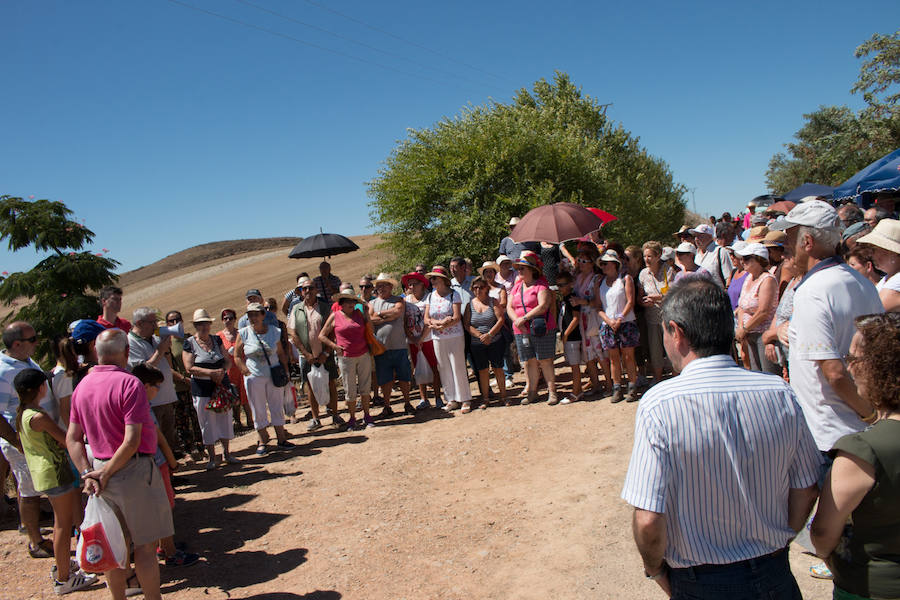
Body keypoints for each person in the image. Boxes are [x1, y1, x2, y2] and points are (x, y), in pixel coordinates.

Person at [621, 279, 821, 600]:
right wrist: (780, 540)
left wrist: (656, 570)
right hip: (775, 574)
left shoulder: (660, 404)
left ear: (677, 332)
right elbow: (808, 486)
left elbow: (648, 521)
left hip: (702, 581)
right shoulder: (780, 392)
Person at [67, 329, 174, 600]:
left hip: (99, 476)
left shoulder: (82, 388)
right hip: (134, 472)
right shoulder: (130, 384)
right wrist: (106, 471)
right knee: (146, 549)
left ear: (98, 354)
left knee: (112, 549)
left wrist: (88, 473)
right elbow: (132, 440)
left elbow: (73, 438)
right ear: (126, 352)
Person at [771, 200, 884, 455]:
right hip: (853, 429)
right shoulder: (861, 282)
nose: (785, 247)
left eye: (789, 239)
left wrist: (869, 415)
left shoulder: (813, 291)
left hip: (830, 435)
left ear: (807, 243)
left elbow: (834, 372)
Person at [810, 312, 900, 600]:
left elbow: (823, 533)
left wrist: (829, 558)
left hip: (870, 587)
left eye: (852, 359)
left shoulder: (862, 451)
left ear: (878, 368)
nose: (848, 368)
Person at [14, 369, 99, 594]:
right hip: (55, 473)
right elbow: (64, 439)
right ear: (41, 388)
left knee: (65, 522)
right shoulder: (39, 417)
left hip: (47, 473)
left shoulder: (24, 413)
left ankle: (64, 567)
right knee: (62, 525)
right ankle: (64, 578)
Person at [128, 362, 199, 568]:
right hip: (156, 462)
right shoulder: (142, 406)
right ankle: (170, 551)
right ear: (145, 385)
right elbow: (158, 437)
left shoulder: (138, 404)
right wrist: (172, 462)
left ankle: (164, 545)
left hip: (148, 463)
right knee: (164, 506)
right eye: (156, 386)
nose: (158, 391)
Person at [0, 321, 54, 557]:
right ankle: (35, 541)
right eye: (33, 340)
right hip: (23, 442)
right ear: (17, 343)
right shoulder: (4, 372)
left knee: (32, 489)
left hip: (35, 438)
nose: (37, 343)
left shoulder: (23, 361)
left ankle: (33, 530)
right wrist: (17, 442)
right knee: (29, 492)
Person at [234, 302, 293, 455]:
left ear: (263, 315)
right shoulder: (244, 333)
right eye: (250, 315)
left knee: (276, 405)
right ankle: (262, 439)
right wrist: (244, 370)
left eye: (255, 314)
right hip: (254, 377)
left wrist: (285, 371)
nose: (253, 317)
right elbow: (236, 355)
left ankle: (281, 438)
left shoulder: (274, 331)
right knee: (258, 407)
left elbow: (280, 353)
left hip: (273, 374)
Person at [183, 309, 239, 469]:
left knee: (225, 419)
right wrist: (210, 373)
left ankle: (227, 453)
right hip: (202, 388)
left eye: (206, 323)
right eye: (200, 324)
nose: (204, 326)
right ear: (195, 326)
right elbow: (189, 367)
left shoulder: (216, 340)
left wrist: (223, 371)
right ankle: (212, 458)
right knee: (206, 422)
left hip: (221, 385)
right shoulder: (190, 343)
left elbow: (227, 359)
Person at [288, 278, 343, 431]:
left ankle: (335, 415)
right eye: (304, 289)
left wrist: (326, 352)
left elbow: (333, 331)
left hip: (326, 353)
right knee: (309, 386)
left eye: (310, 288)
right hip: (307, 355)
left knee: (331, 383)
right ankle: (315, 418)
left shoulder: (326, 308)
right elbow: (293, 333)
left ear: (316, 290)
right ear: (300, 292)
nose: (307, 291)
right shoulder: (296, 309)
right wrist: (305, 354)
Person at [127, 307, 180, 455]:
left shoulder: (155, 338)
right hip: (152, 401)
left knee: (169, 439)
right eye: (152, 322)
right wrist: (161, 350)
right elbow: (143, 370)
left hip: (166, 397)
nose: (156, 325)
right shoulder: (130, 342)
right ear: (139, 323)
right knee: (156, 441)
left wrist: (165, 348)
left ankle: (170, 475)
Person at [507, 251, 558, 405]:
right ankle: (532, 392)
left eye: (523, 268)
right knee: (528, 361)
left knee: (545, 360)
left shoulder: (541, 285)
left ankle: (552, 392)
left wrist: (524, 318)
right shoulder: (516, 288)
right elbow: (510, 306)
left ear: (532, 270)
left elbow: (543, 306)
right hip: (521, 330)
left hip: (540, 328)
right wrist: (517, 320)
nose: (519, 271)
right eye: (519, 268)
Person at [319, 290, 375, 429]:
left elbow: (371, 330)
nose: (351, 304)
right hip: (345, 357)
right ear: (341, 304)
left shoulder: (360, 315)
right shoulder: (335, 316)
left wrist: (367, 314)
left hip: (363, 354)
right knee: (349, 389)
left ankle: (367, 415)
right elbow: (322, 335)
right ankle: (352, 417)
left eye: (353, 301)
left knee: (365, 386)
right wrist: (334, 346)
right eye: (347, 302)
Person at [424, 266, 471, 412]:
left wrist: (444, 324)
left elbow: (457, 317)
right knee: (443, 367)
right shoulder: (430, 296)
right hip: (438, 337)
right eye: (431, 278)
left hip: (455, 336)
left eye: (435, 278)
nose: (432, 281)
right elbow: (426, 318)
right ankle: (451, 399)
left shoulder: (453, 294)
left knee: (458, 366)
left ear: (443, 280)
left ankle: (464, 399)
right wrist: (437, 324)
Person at [368, 273, 416, 417]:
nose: (381, 288)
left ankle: (407, 403)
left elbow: (398, 312)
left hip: (399, 345)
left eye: (384, 285)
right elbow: (370, 319)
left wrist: (380, 315)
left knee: (404, 377)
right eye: (379, 286)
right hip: (381, 347)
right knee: (385, 378)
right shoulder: (371, 303)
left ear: (390, 286)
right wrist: (386, 316)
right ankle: (387, 406)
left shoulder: (398, 300)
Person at [595, 250, 640, 403]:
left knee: (628, 356)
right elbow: (598, 307)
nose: (603, 266)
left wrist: (619, 318)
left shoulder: (625, 279)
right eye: (602, 263)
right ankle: (617, 387)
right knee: (613, 358)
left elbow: (630, 301)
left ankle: (632, 386)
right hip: (608, 324)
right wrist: (609, 321)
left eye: (606, 263)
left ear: (615, 264)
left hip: (626, 322)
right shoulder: (600, 282)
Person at [735, 243, 781, 375]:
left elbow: (763, 311)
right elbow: (742, 305)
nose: (742, 261)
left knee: (769, 374)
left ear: (758, 259)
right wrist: (740, 327)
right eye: (742, 258)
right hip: (750, 333)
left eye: (747, 258)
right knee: (756, 373)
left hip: (764, 334)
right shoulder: (749, 278)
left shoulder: (767, 280)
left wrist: (744, 329)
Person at [165, 310, 204, 461]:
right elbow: (169, 368)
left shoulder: (189, 338)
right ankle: (188, 450)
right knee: (182, 422)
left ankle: (201, 447)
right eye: (171, 321)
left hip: (195, 385)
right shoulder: (168, 343)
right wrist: (183, 379)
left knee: (198, 418)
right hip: (178, 388)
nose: (175, 323)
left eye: (177, 320)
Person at [464, 276, 507, 408]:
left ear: (486, 288)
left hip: (495, 341)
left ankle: (504, 396)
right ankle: (486, 398)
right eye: (475, 287)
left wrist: (489, 334)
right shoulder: (469, 305)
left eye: (481, 287)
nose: (478, 290)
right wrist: (479, 336)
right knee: (482, 370)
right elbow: (466, 324)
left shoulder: (493, 302)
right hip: (477, 343)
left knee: (498, 368)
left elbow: (500, 319)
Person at [401, 272, 442, 410]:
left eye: (414, 283)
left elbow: (429, 318)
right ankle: (423, 398)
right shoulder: (406, 300)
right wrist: (413, 338)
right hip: (412, 340)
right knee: (419, 369)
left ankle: (437, 396)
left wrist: (422, 338)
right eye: (410, 284)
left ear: (422, 284)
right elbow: (404, 322)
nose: (412, 286)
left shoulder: (429, 297)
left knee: (433, 367)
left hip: (428, 338)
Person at [572, 248, 608, 396]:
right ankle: (596, 384)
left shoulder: (597, 279)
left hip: (594, 319)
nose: (580, 263)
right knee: (588, 355)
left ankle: (610, 384)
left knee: (600, 353)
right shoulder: (578, 278)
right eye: (578, 260)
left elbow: (598, 302)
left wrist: (583, 301)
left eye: (584, 261)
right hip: (582, 320)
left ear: (592, 263)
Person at [639, 242, 675, 386]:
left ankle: (676, 377)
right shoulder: (643, 274)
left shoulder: (669, 271)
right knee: (655, 350)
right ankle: (658, 378)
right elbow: (639, 296)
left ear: (658, 256)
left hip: (668, 316)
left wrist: (657, 298)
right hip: (652, 317)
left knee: (672, 347)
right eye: (645, 256)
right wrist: (643, 302)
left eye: (650, 256)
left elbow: (674, 293)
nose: (647, 259)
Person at [216, 309, 253, 431]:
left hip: (242, 367)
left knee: (246, 396)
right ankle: (237, 422)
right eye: (225, 318)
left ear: (235, 319)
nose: (228, 320)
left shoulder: (240, 333)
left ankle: (250, 420)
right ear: (222, 320)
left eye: (230, 318)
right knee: (233, 395)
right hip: (229, 371)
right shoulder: (218, 337)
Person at [856, 218, 900, 312]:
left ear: (893, 253)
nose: (872, 255)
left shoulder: (898, 280)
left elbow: (874, 311)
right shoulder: (890, 277)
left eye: (875, 249)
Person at [556, 271, 583, 403]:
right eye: (558, 285)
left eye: (563, 285)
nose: (560, 288)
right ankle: (579, 390)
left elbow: (576, 318)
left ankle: (575, 392)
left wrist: (566, 333)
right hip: (568, 335)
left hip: (573, 336)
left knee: (574, 366)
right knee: (573, 364)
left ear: (570, 285)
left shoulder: (572, 298)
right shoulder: (564, 299)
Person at [690, 223, 734, 288]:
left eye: (700, 236)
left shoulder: (720, 252)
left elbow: (729, 277)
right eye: (695, 236)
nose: (696, 239)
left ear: (709, 236)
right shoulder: (696, 254)